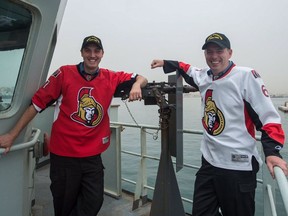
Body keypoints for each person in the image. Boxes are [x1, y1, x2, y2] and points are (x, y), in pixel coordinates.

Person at [0, 35, 148, 216]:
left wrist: (136, 86)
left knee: (94, 201)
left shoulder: (111, 77)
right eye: (88, 50)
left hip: (92, 157)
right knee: (64, 206)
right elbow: (37, 104)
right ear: (82, 53)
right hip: (64, 157)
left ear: (102, 54)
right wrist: (11, 136)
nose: (92, 55)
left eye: (96, 51)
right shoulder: (64, 74)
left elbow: (141, 77)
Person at [150, 32, 288, 216]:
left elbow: (268, 118)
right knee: (201, 211)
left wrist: (272, 152)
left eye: (219, 51)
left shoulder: (246, 77)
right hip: (209, 163)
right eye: (209, 52)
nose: (214, 56)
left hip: (238, 168)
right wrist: (166, 63)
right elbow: (187, 69)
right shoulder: (204, 77)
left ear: (230, 52)